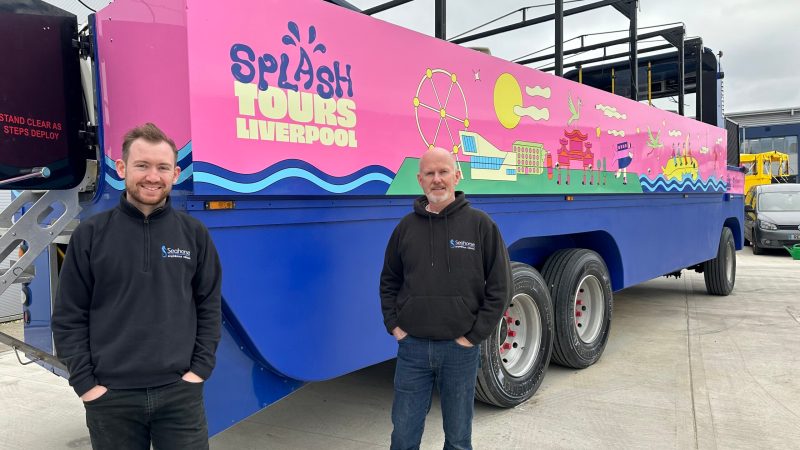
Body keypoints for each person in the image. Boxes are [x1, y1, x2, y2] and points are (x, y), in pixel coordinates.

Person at [52, 123, 222, 449]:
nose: (152, 176)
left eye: (162, 167)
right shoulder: (90, 234)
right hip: (111, 399)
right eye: (142, 165)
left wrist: (198, 372)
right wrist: (87, 385)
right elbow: (69, 315)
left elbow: (208, 306)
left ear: (175, 173)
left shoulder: (195, 234)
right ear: (122, 168)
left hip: (179, 396)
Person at [379, 147, 512, 450]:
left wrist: (473, 336)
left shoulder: (481, 225)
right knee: (403, 437)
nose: (437, 179)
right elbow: (389, 280)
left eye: (443, 172)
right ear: (420, 180)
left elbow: (500, 287)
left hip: (459, 351)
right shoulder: (405, 228)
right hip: (412, 349)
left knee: (458, 438)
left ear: (457, 175)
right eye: (430, 173)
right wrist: (395, 326)